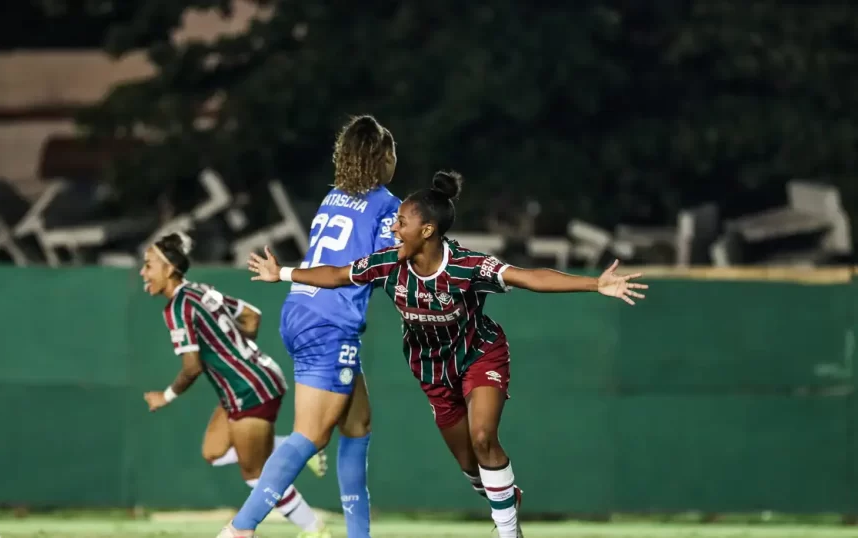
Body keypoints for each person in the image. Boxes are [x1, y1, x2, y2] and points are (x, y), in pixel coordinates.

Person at [247, 171, 648, 538]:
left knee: (482, 437)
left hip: (480, 356)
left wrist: (596, 284)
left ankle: (509, 532)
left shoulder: (467, 266)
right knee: (472, 468)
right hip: (433, 373)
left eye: (400, 222)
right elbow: (335, 275)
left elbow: (528, 277)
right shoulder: (388, 264)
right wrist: (281, 273)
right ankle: (505, 497)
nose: (393, 227)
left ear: (426, 230)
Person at [218, 115, 401, 538]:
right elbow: (380, 267)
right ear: (383, 158)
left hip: (301, 309)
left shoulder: (333, 197)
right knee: (312, 435)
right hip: (331, 322)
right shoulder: (387, 206)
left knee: (357, 428)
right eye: (392, 155)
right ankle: (240, 529)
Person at [140, 232, 330, 538]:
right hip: (250, 382)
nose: (142, 272)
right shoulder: (201, 292)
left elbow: (192, 366)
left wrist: (165, 396)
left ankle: (315, 530)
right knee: (213, 452)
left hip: (250, 390)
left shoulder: (177, 308)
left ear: (169, 268)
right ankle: (289, 447)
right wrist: (236, 353)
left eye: (148, 265)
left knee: (255, 473)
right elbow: (252, 316)